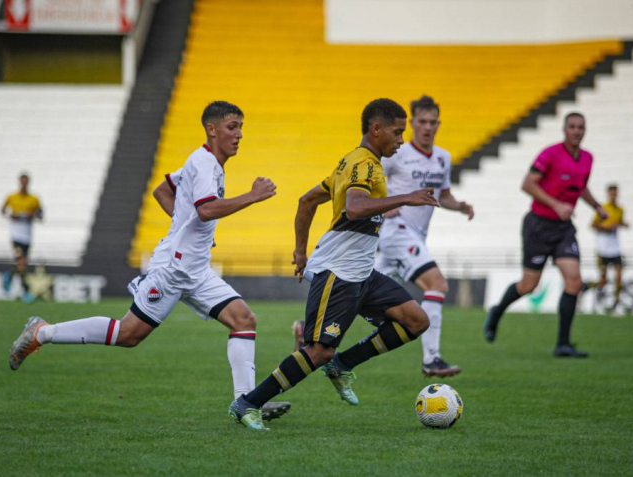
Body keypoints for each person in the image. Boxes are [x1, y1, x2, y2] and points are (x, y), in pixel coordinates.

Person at [9, 101, 290, 421]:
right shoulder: (203, 162)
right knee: (128, 335)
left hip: (195, 268)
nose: (239, 134)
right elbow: (206, 209)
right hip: (173, 269)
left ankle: (246, 402)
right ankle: (42, 332)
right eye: (232, 127)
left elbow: (162, 191)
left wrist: (181, 226)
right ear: (211, 130)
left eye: (241, 127)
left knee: (244, 320)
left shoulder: (203, 162)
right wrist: (252, 196)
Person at [229, 98, 437, 430]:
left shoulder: (351, 163)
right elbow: (355, 209)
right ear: (376, 129)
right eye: (397, 133)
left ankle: (343, 365)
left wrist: (300, 251)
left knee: (415, 320)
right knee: (318, 351)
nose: (401, 140)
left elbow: (307, 200)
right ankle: (248, 403)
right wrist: (407, 197)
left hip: (361, 270)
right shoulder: (363, 164)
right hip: (340, 271)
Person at [483, 112, 608, 358]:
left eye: (580, 127)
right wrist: (556, 205)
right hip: (538, 226)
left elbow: (580, 187)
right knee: (529, 285)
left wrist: (597, 207)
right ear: (564, 129)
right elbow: (528, 184)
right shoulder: (550, 153)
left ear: (585, 130)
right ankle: (497, 312)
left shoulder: (587, 159)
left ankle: (563, 344)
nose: (576, 131)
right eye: (572, 126)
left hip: (563, 229)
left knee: (574, 280)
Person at [375, 95, 473, 377]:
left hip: (416, 236)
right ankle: (432, 358)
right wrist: (387, 206)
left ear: (438, 124)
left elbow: (444, 196)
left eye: (433, 122)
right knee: (437, 284)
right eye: (422, 122)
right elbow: (371, 181)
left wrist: (459, 206)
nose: (427, 127)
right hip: (396, 232)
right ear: (412, 123)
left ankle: (307, 329)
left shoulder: (443, 158)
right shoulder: (399, 153)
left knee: (356, 288)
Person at [584, 184, 628, 310]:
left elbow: (619, 223)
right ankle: (585, 287)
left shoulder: (620, 210)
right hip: (603, 249)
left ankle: (617, 304)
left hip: (616, 249)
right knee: (603, 280)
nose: (613, 196)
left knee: (619, 277)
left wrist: (623, 224)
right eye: (611, 194)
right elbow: (592, 225)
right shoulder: (602, 209)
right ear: (608, 194)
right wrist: (606, 228)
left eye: (615, 194)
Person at [1, 172, 43, 303]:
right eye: (22, 182)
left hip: (27, 235)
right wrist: (11, 215)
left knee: (22, 265)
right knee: (22, 262)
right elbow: (3, 210)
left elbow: (41, 214)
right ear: (20, 182)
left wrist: (34, 215)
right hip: (16, 235)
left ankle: (10, 275)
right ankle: (26, 292)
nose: (24, 184)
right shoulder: (12, 197)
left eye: (26, 182)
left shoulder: (34, 199)